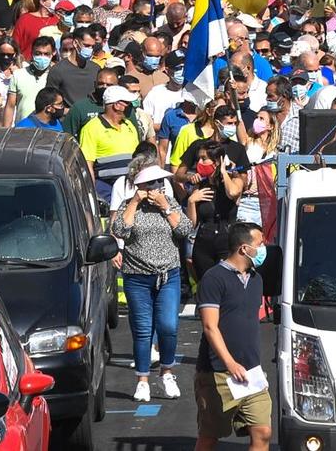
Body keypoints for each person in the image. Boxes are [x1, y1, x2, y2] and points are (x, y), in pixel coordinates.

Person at [112, 164, 189, 404]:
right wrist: (134, 202)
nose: (157, 188)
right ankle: (142, 380)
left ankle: (167, 372)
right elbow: (120, 229)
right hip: (137, 276)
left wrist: (166, 207)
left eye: (159, 184)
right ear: (141, 187)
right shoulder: (129, 205)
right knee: (143, 329)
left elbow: (185, 229)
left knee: (168, 325)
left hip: (168, 275)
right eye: (152, 184)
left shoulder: (169, 203)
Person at [193, 221, 270, 451]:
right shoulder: (213, 278)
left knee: (263, 432)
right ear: (244, 248)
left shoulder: (256, 279)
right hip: (217, 374)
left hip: (251, 374)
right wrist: (230, 363)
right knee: (209, 437)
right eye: (260, 243)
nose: (264, 248)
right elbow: (210, 327)